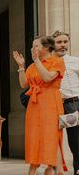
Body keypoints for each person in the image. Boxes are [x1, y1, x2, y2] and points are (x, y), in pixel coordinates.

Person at [13, 36, 66, 175]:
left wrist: (36, 61)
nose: (32, 49)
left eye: (36, 46)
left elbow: (48, 78)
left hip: (50, 103)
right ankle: (34, 166)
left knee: (50, 135)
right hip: (35, 105)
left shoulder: (57, 61)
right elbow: (24, 84)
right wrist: (21, 67)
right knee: (34, 136)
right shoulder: (33, 66)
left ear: (46, 48)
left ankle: (52, 168)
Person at [53, 30, 79, 175]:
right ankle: (56, 169)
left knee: (75, 140)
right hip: (53, 104)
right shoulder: (49, 62)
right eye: (59, 42)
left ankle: (77, 169)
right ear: (53, 44)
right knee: (52, 138)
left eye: (65, 42)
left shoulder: (75, 61)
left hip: (72, 104)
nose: (63, 45)